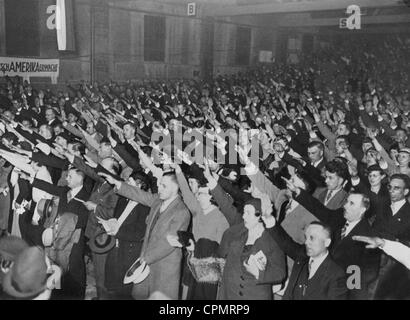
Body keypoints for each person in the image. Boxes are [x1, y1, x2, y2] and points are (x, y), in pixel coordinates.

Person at [100, 171, 190, 300]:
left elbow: (168, 244)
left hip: (164, 267)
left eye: (164, 186)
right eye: (159, 184)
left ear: (175, 187)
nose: (159, 188)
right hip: (145, 262)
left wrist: (145, 259)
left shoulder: (182, 212)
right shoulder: (157, 201)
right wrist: (118, 183)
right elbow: (139, 194)